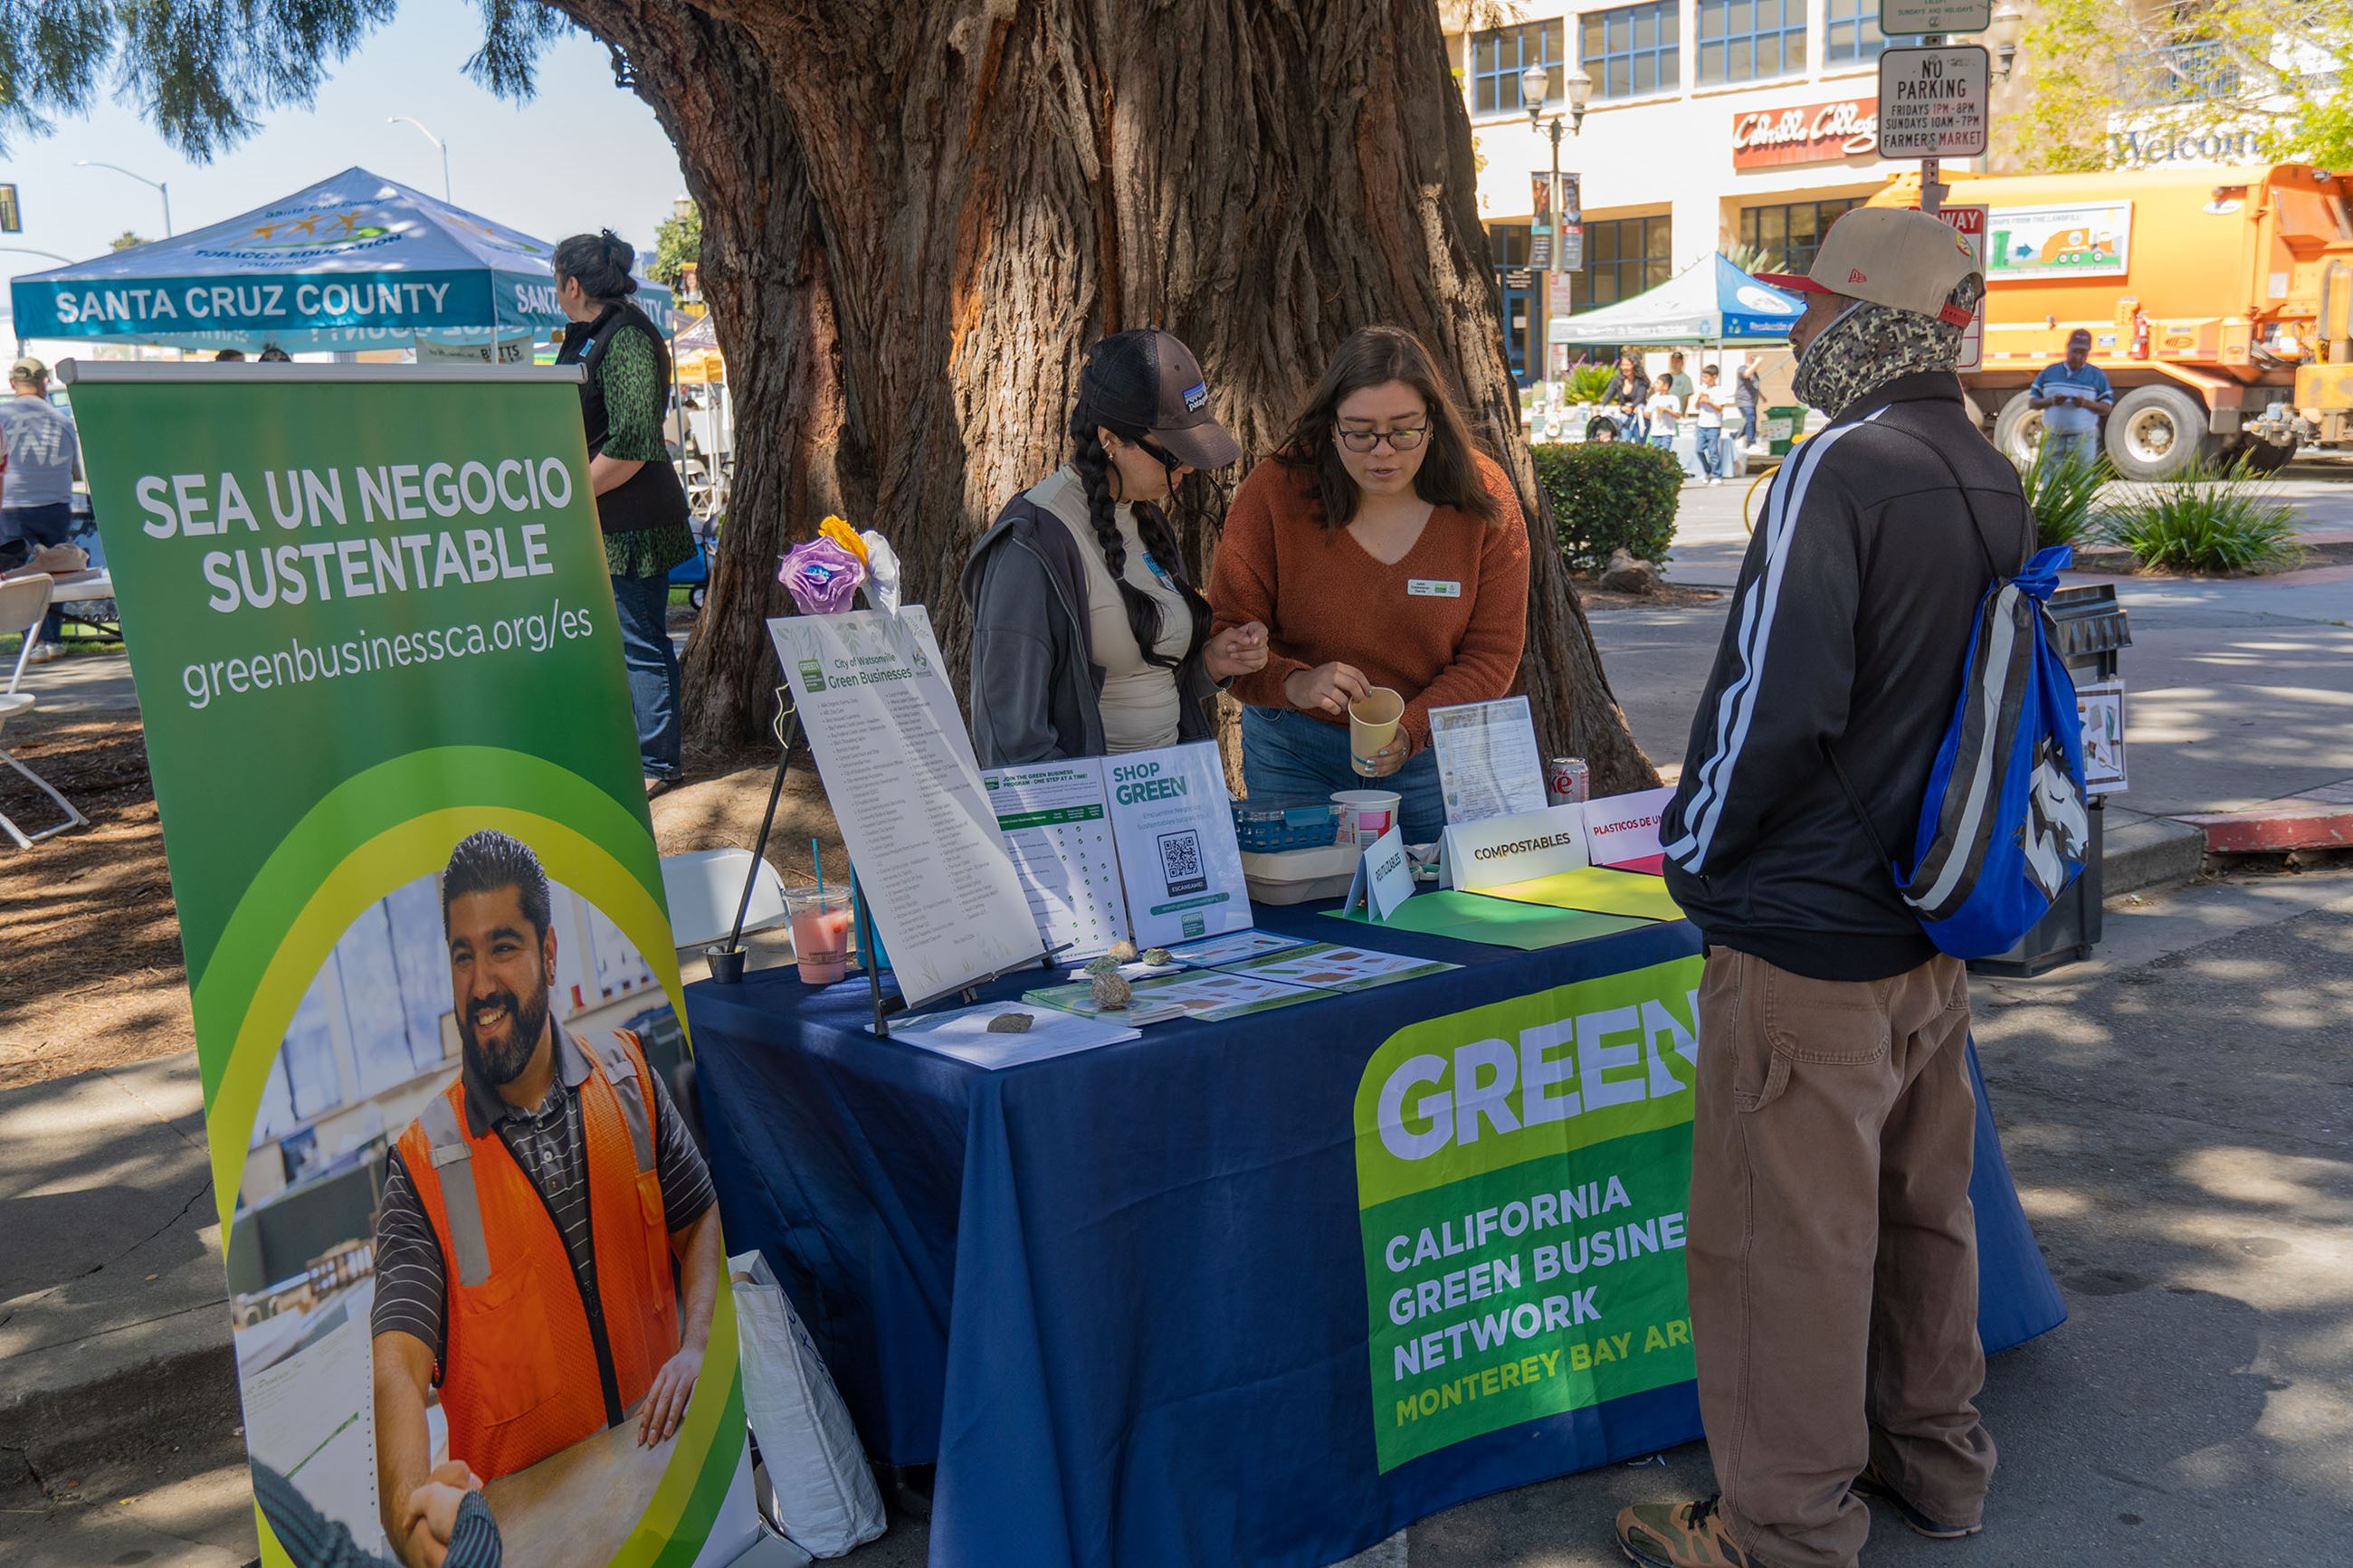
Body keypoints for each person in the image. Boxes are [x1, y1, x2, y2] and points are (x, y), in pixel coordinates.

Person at [1622, 207, 2027, 1568]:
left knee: (1778, 1251)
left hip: (1805, 929)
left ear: (1870, 323)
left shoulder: (1838, 467)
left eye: (1810, 310)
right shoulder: (1982, 466)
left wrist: (1695, 856)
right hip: (1928, 923)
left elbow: (1772, 704)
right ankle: (1938, 1464)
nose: (1792, 333)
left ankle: (1779, 1532)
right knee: (1923, 1213)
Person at [372, 831, 722, 1568]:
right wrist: (411, 1521)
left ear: (550, 951)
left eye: (503, 946)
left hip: (674, 1500)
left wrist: (695, 1347)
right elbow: (398, 1367)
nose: (481, 981)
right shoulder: (421, 1165)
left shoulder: (629, 1077)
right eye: (463, 955)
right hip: (535, 1543)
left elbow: (699, 1219)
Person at [1207, 325, 1529, 844]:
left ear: (1433, 423)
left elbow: (1492, 655)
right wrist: (1296, 683)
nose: (1383, 453)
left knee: (1434, 915)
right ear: (1330, 426)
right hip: (1294, 750)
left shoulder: (1483, 496)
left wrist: (1412, 729)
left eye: (1404, 431)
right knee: (1300, 913)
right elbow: (1229, 636)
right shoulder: (1275, 490)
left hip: (1427, 756)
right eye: (1360, 432)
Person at [963, 329, 1267, 766]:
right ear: (1110, 439)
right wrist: (1086, 816)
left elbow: (1148, 683)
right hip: (1092, 813)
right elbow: (1012, 736)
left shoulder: (1144, 515)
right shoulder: (1034, 543)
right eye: (1172, 452)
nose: (1187, 467)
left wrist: (1212, 665)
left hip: (1168, 794)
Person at [551, 231, 692, 794]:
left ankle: (660, 764)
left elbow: (633, 442)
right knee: (615, 643)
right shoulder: (588, 335)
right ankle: (632, 752)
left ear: (573, 284)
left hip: (631, 525)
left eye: (556, 281)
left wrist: (569, 497)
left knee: (641, 642)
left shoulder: (628, 337)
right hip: (600, 522)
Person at [0, 358, 81, 661]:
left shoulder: (2, 416)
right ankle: (53, 639)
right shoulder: (61, 419)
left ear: (12, 383)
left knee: (21, 573)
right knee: (56, 569)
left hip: (12, 503)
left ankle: (33, 643)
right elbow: (74, 468)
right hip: (55, 503)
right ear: (45, 382)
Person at [2027, 328, 2113, 468]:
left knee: (2081, 486)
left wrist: (2085, 403)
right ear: (2067, 348)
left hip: (2083, 439)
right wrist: (2052, 401)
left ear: (2088, 352)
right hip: (2053, 437)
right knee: (2049, 483)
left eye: (2083, 352)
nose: (2078, 356)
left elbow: (2106, 408)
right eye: (2075, 351)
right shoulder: (2049, 372)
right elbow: (2033, 402)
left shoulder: (2097, 375)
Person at [1691, 365, 1736, 486]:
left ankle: (1717, 475)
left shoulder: (1719, 390)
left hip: (1713, 424)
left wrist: (1709, 402)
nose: (1704, 379)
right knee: (1699, 450)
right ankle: (1707, 470)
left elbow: (1720, 408)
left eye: (1706, 377)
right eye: (1703, 377)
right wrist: (1699, 400)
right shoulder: (1702, 388)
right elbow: (1696, 407)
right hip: (1701, 423)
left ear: (1714, 377)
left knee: (1713, 451)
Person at [1602, 350, 1651, 440]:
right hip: (1624, 417)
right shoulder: (1617, 380)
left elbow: (1641, 397)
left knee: (1640, 445)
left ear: (1634, 366)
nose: (1624, 368)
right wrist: (1601, 406)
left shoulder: (1641, 380)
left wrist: (1631, 406)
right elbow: (1609, 394)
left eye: (1627, 365)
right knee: (1624, 442)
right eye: (1623, 365)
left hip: (1639, 416)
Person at [1643, 380, 1683, 460]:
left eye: (1658, 383)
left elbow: (1678, 415)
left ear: (1666, 386)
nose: (1656, 385)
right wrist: (1647, 414)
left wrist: (1667, 410)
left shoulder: (1673, 398)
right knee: (1655, 454)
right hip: (1655, 432)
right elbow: (1646, 413)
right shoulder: (1654, 398)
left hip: (1667, 431)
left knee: (1664, 454)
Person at [1735, 359, 1763, 449]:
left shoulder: (1753, 372)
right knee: (1750, 420)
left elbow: (1754, 385)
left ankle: (1733, 436)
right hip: (1744, 401)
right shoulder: (1742, 369)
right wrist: (1757, 361)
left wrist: (1762, 396)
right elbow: (1746, 374)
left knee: (1748, 422)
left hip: (1751, 401)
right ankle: (1751, 443)